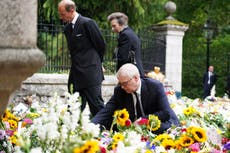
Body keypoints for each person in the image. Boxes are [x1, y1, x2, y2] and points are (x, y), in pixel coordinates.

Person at [92, 63, 180, 134]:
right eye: (120, 84)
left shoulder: (155, 87)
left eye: (125, 83)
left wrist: (143, 120)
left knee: (159, 128)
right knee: (111, 125)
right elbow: (106, 111)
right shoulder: (120, 90)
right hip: (133, 128)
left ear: (136, 78)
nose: (122, 87)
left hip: (159, 122)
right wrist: (91, 125)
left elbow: (165, 113)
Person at [58, 0, 105, 116]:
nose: (61, 17)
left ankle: (105, 131)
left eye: (63, 14)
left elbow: (101, 45)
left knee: (96, 105)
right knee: (74, 106)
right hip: (75, 74)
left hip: (90, 73)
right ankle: (72, 132)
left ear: (72, 10)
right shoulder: (67, 28)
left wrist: (98, 64)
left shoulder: (87, 23)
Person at [107, 12, 145, 77]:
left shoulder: (125, 35)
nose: (112, 29)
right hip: (134, 72)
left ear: (121, 24)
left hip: (131, 75)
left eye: (114, 26)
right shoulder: (129, 33)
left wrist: (119, 74)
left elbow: (123, 58)